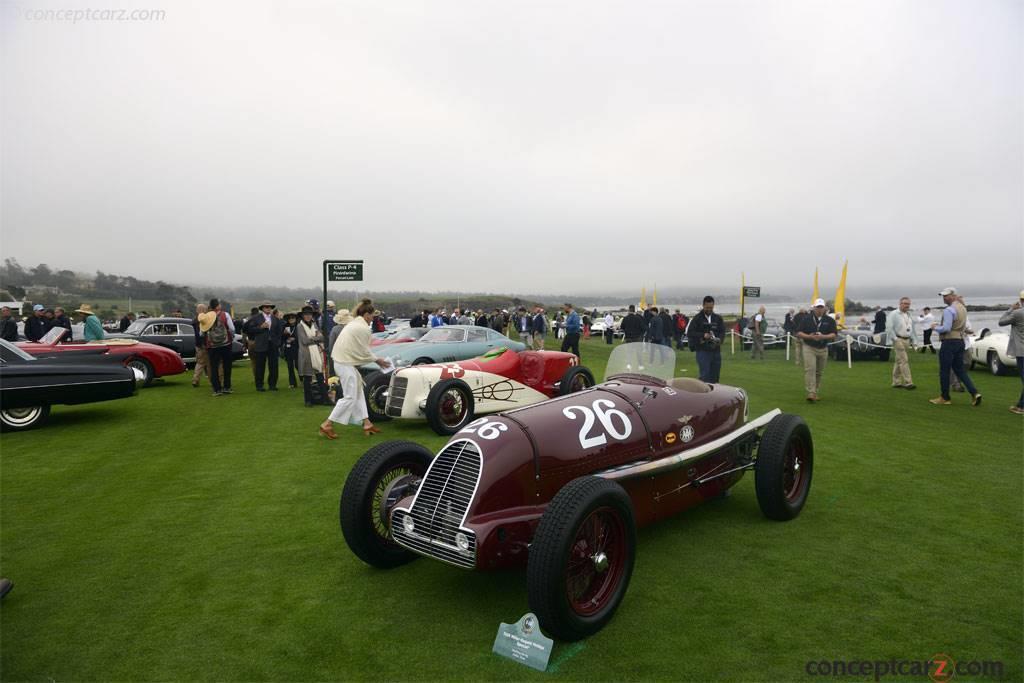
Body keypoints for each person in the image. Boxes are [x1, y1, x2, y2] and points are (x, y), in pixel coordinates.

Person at [319, 299, 392, 439]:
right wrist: (378, 360)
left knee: (358, 392)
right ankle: (327, 424)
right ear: (366, 315)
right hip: (344, 363)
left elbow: (360, 349)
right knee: (350, 397)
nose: (373, 319)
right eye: (372, 316)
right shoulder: (362, 327)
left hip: (343, 361)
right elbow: (364, 351)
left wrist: (375, 359)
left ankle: (367, 423)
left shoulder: (355, 323)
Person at [929, 287, 981, 406]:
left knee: (944, 370)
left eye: (946, 296)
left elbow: (946, 328)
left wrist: (935, 327)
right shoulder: (962, 308)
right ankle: (974, 392)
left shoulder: (949, 310)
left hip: (949, 342)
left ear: (953, 296)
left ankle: (945, 397)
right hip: (960, 341)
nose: (944, 298)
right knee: (960, 370)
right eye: (943, 296)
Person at [796, 298, 837, 402]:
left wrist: (823, 337)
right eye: (817, 307)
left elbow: (834, 334)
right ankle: (811, 392)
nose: (819, 309)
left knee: (819, 372)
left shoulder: (830, 320)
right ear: (814, 308)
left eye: (821, 307)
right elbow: (799, 333)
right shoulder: (806, 319)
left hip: (823, 348)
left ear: (825, 308)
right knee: (810, 369)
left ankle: (815, 391)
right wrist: (809, 337)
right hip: (809, 347)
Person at [198, 298, 235, 396]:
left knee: (213, 367)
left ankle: (216, 389)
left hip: (212, 345)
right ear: (218, 306)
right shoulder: (225, 314)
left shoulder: (206, 316)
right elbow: (232, 329)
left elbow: (201, 333)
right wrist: (232, 336)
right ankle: (227, 387)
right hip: (226, 343)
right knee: (227, 366)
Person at [244, 301, 284, 392]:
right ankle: (259, 385)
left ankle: (272, 385)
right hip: (260, 344)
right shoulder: (256, 318)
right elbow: (248, 329)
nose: (268, 308)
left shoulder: (275, 318)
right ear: (262, 308)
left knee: (273, 366)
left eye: (270, 307)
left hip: (273, 345)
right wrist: (260, 327)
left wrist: (277, 342)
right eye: (266, 307)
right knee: (260, 366)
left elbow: (279, 331)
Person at [686, 296, 726, 383]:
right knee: (705, 376)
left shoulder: (718, 318)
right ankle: (704, 395)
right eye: (707, 307)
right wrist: (703, 335)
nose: (709, 309)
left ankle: (714, 395)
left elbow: (722, 331)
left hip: (716, 351)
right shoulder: (697, 318)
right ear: (703, 305)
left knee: (715, 377)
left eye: (711, 307)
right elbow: (690, 333)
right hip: (702, 351)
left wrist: (720, 339)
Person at [296, 305, 326, 407]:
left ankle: (325, 399)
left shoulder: (314, 324)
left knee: (320, 377)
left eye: (310, 314)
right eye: (306, 314)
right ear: (303, 316)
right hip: (306, 355)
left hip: (316, 354)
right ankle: (308, 401)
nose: (308, 316)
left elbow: (322, 337)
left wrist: (313, 338)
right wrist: (316, 337)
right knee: (307, 379)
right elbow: (304, 341)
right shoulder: (300, 326)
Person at [999, 291, 1024, 414]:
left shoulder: (1017, 313)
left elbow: (1001, 322)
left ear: (1021, 300)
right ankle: (1020, 405)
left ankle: (1021, 407)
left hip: (1021, 351)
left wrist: (1010, 309)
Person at [886, 297, 917, 389]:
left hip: (907, 340)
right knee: (904, 360)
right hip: (898, 339)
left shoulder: (908, 315)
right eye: (905, 303)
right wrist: (895, 339)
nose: (907, 305)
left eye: (908, 304)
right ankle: (908, 382)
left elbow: (913, 329)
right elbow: (889, 328)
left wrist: (914, 341)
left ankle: (896, 382)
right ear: (900, 304)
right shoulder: (893, 314)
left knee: (898, 361)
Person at [190, 304, 210, 388]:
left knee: (200, 363)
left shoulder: (194, 320)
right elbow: (202, 334)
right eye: (205, 309)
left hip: (197, 344)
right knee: (209, 364)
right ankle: (212, 381)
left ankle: (195, 379)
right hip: (204, 344)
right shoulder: (203, 320)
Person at [280, 312, 300, 389]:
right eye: (290, 318)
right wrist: (284, 335)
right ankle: (292, 383)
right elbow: (281, 338)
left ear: (295, 319)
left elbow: (301, 337)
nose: (291, 319)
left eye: (293, 318)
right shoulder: (284, 326)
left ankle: (302, 378)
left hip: (297, 348)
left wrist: (294, 339)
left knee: (298, 365)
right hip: (288, 349)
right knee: (290, 366)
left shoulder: (298, 326)